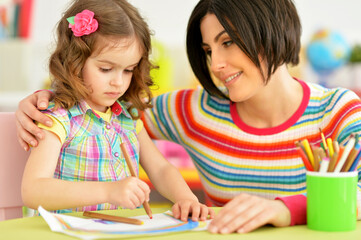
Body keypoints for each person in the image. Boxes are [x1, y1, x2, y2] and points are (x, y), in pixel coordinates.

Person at [16, 0, 361, 234]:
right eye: (208, 50)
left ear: (272, 32)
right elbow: (99, 114)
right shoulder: (192, 110)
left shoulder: (339, 110)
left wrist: (286, 210)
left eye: (228, 42)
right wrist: (37, 102)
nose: (215, 65)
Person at [20, 0, 214, 222]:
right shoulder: (59, 118)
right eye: (106, 69)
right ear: (74, 61)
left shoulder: (126, 117)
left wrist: (186, 198)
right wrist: (109, 191)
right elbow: (33, 191)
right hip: (67, 232)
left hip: (117, 230)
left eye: (129, 70)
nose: (118, 82)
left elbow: (160, 169)